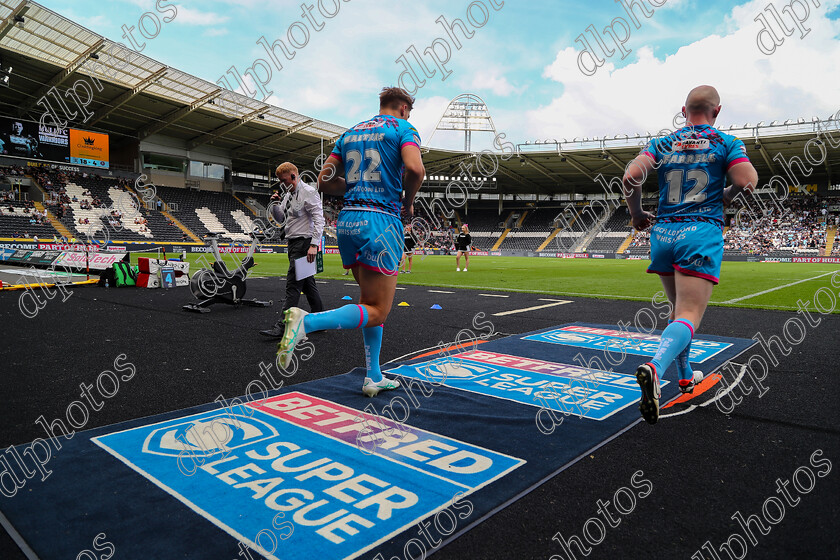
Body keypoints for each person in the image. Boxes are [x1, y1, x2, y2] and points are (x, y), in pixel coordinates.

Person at [622, 85, 758, 424]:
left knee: (677, 313)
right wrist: (727, 193)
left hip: (664, 232)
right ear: (717, 111)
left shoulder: (663, 143)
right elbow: (747, 179)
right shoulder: (727, 142)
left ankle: (685, 376)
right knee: (688, 314)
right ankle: (655, 367)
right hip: (700, 231)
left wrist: (637, 213)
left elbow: (631, 176)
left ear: (684, 111)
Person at [277, 86, 425, 397]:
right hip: (381, 221)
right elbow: (415, 169)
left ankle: (373, 375)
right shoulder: (404, 128)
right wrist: (407, 201)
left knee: (370, 302)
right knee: (380, 310)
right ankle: (307, 322)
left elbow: (324, 181)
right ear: (402, 108)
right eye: (408, 111)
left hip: (347, 222)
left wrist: (358, 186)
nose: (408, 116)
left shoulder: (350, 133)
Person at [260, 162, 325, 337]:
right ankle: (321, 321)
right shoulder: (288, 195)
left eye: (284, 180)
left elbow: (320, 220)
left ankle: (283, 327)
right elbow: (281, 217)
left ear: (294, 176)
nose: (282, 184)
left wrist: (314, 245)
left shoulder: (309, 193)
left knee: (293, 286)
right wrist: (275, 204)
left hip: (303, 244)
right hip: (293, 243)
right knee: (308, 285)